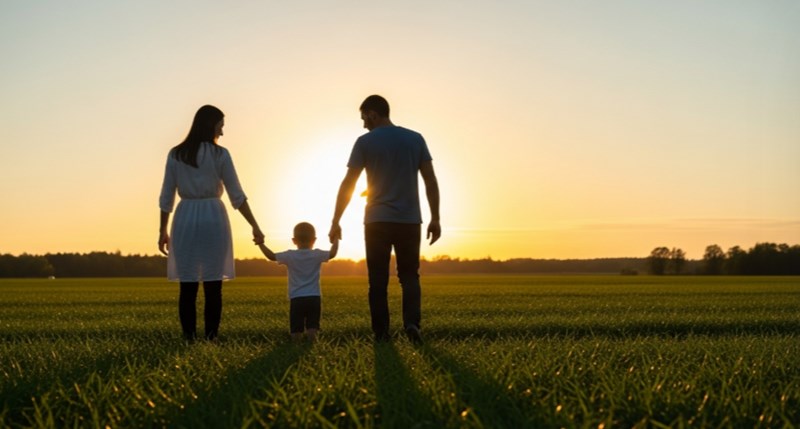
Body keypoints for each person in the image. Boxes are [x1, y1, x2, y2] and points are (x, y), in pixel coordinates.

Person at [329, 95, 441, 343]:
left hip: (377, 221)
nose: (363, 125)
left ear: (372, 114)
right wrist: (435, 217)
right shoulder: (415, 138)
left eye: (363, 118)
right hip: (410, 220)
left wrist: (336, 219)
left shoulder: (365, 142)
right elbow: (430, 180)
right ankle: (412, 324)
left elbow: (349, 182)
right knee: (410, 276)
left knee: (377, 281)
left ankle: (381, 334)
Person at [158, 104, 264, 342]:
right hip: (214, 218)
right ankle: (211, 338)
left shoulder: (175, 154)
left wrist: (162, 230)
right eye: (221, 126)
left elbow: (167, 196)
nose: (222, 132)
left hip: (184, 218)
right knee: (213, 284)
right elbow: (237, 195)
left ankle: (189, 338)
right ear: (211, 125)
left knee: (187, 286)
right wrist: (254, 225)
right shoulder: (220, 154)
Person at [258, 222, 339, 342]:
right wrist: (336, 238)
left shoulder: (290, 255)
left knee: (296, 328)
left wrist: (260, 243)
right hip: (314, 297)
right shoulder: (317, 254)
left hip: (297, 298)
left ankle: (296, 347)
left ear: (294, 240)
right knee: (312, 326)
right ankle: (311, 345)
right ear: (314, 240)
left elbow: (271, 256)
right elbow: (332, 253)